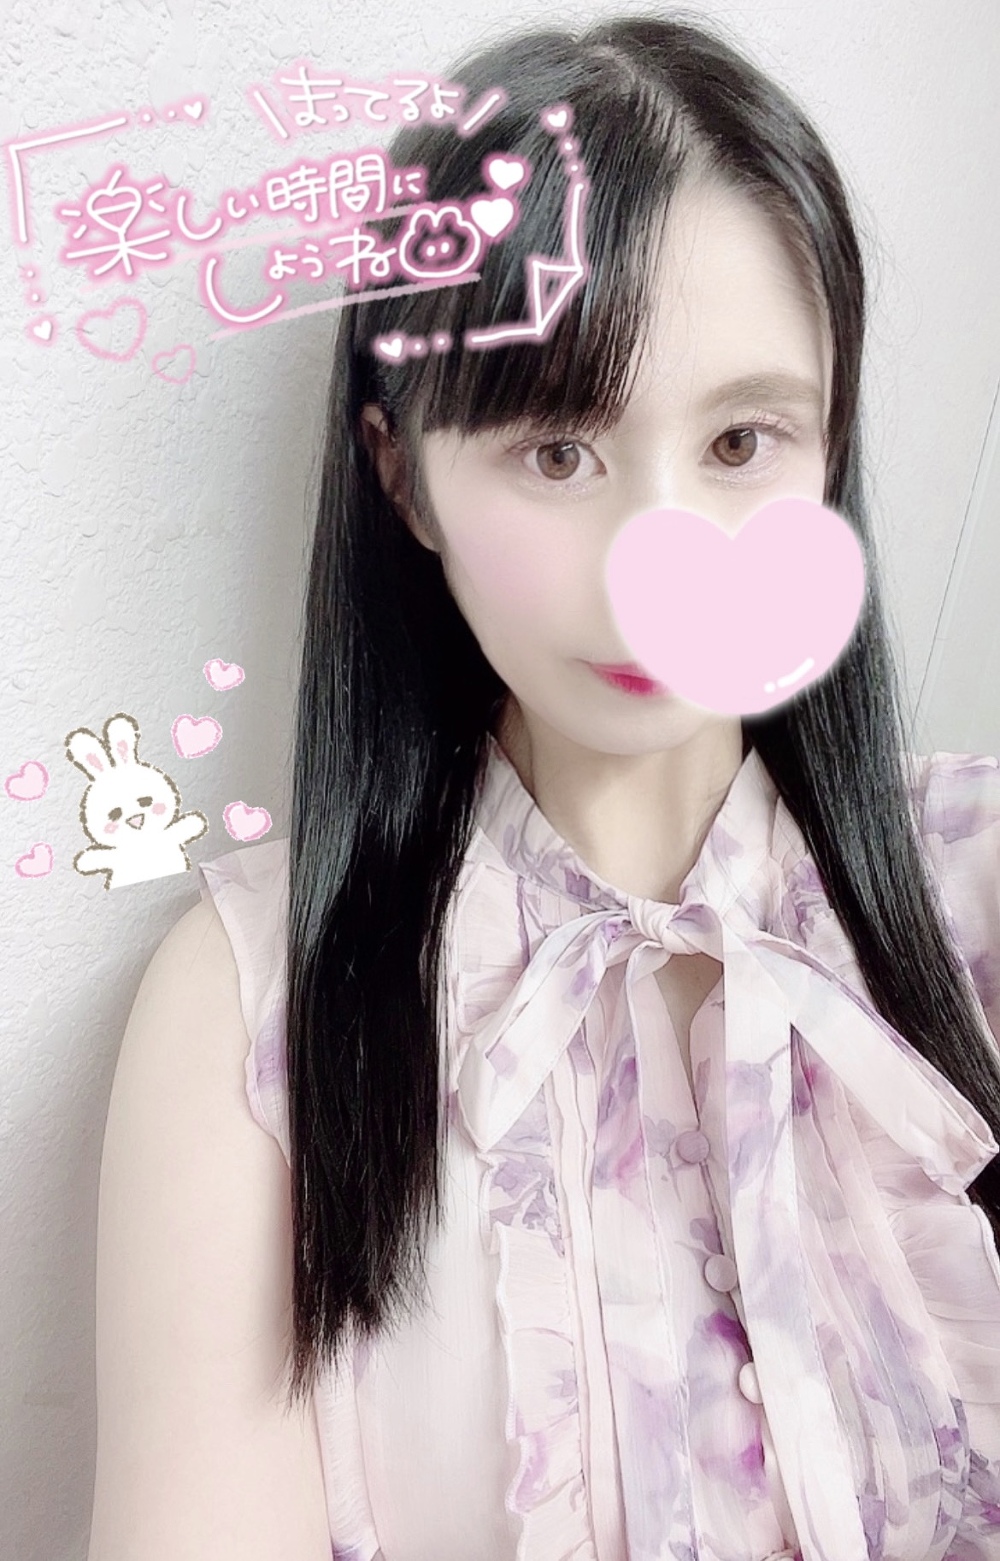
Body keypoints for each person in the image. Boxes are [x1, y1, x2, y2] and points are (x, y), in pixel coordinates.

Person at [87, 13, 1000, 1561]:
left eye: (741, 439)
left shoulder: (973, 883)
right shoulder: (254, 1014)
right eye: (559, 450)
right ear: (403, 473)